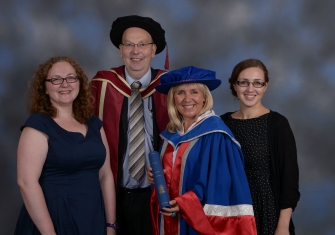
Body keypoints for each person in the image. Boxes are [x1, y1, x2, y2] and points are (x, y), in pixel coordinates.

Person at [149, 66, 257, 235]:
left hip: (197, 224)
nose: (187, 99)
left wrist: (185, 203)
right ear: (172, 98)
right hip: (169, 219)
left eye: (194, 92)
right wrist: (157, 178)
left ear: (205, 97)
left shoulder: (216, 135)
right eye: (180, 93)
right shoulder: (170, 135)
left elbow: (221, 185)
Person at [14, 56, 116, 235]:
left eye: (71, 77)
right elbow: (26, 182)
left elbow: (106, 176)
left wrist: (110, 225)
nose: (65, 84)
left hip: (93, 218)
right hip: (54, 220)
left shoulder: (93, 123)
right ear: (44, 88)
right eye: (56, 79)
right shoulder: (38, 125)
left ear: (79, 82)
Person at [89, 15, 169, 235]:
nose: (136, 51)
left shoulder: (171, 87)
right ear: (120, 50)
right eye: (129, 45)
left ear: (153, 50)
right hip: (113, 196)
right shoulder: (101, 85)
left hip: (158, 196)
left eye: (142, 45)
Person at [220, 58, 300, 235]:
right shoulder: (221, 124)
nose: (250, 89)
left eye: (257, 83)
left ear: (266, 86)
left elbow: (289, 181)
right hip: (230, 211)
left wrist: (283, 226)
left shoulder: (277, 124)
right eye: (244, 82)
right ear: (234, 85)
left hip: (267, 211)